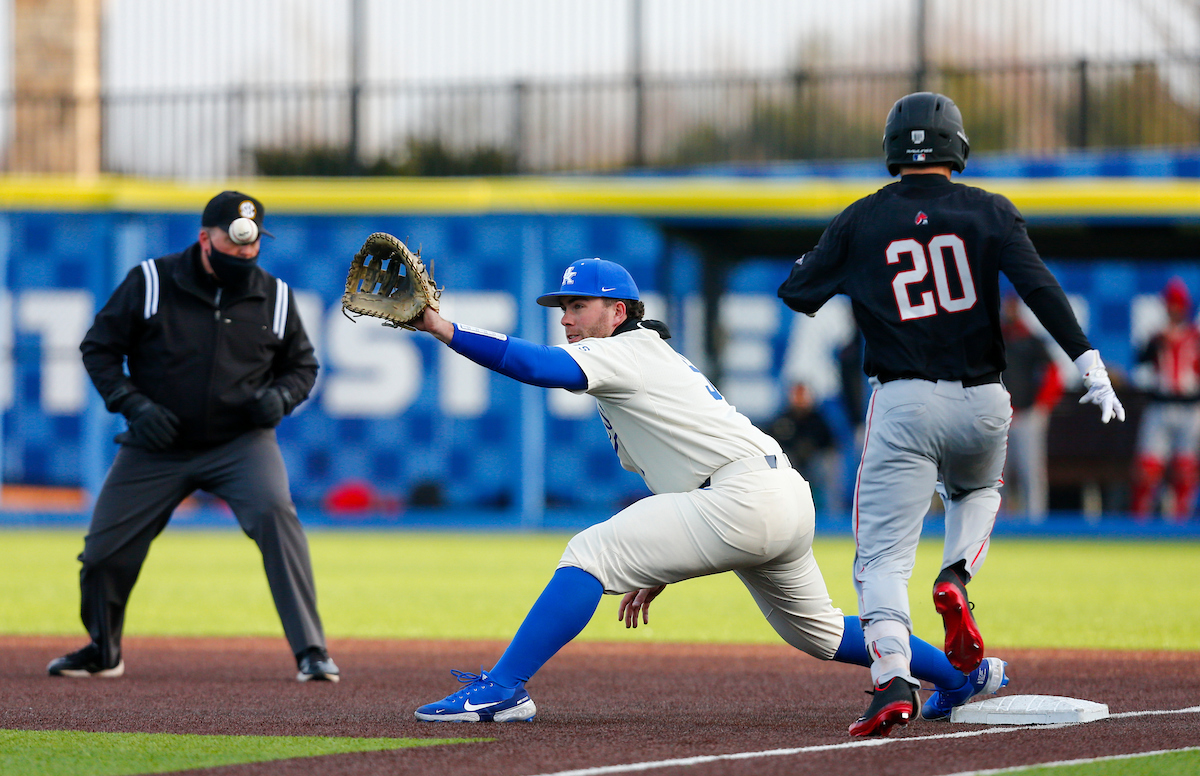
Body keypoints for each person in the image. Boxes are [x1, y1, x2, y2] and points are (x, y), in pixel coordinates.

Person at [407, 257, 1007, 732]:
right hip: (773, 495)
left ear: (617, 311)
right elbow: (682, 479)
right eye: (561, 307)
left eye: (578, 305)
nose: (565, 318)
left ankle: (503, 691)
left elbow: (535, 368)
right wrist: (662, 565)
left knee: (588, 553)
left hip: (742, 496)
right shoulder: (636, 361)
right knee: (820, 635)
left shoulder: (628, 350)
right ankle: (963, 675)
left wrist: (443, 327)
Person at [777, 92, 1124, 736]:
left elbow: (798, 291)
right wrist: (1089, 362)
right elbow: (1039, 288)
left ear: (891, 150)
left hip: (904, 401)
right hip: (984, 399)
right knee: (977, 490)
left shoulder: (861, 220)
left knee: (880, 560)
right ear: (956, 148)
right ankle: (958, 573)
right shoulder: (989, 212)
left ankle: (892, 682)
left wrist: (834, 258)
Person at [50, 191, 339, 683]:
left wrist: (282, 398)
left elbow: (302, 365)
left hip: (240, 443)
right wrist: (133, 405)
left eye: (253, 244)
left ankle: (312, 651)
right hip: (157, 442)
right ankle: (103, 648)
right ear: (205, 237)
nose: (245, 253)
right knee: (103, 553)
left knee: (276, 517)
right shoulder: (151, 281)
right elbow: (98, 348)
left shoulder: (276, 295)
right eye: (235, 241)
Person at [1131, 277, 1200, 520]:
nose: (1173, 309)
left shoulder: (1195, 336)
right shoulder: (1156, 336)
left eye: (1177, 304)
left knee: (1185, 469)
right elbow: (1140, 359)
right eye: (1170, 304)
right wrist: (1155, 342)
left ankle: (1181, 521)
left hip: (1190, 408)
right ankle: (1140, 520)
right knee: (1148, 468)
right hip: (1160, 406)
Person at [1000, 294, 1063, 521]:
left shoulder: (1031, 340)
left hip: (1027, 415)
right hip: (999, 418)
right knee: (997, 477)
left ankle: (1036, 525)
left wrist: (1042, 406)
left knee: (1031, 475)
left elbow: (1054, 373)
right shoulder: (995, 339)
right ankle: (997, 526)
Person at [767, 382, 839, 512]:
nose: (799, 399)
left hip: (814, 462)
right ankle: (784, 510)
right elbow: (771, 444)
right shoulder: (783, 419)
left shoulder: (817, 419)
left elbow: (830, 445)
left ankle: (831, 513)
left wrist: (811, 450)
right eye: (796, 395)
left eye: (802, 395)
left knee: (826, 465)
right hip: (792, 463)